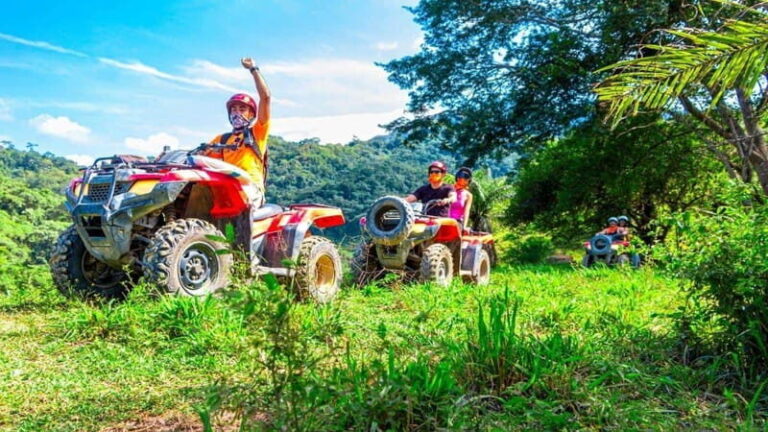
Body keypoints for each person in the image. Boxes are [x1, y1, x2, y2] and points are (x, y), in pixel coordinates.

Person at [202, 57, 271, 207]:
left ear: (251, 114)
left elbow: (265, 98)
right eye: (233, 109)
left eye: (242, 109)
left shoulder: (257, 132)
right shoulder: (222, 139)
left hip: (250, 189)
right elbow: (201, 157)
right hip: (227, 187)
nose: (236, 112)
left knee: (234, 201)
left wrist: (254, 69)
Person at [450, 167, 473, 231]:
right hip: (444, 220)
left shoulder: (468, 195)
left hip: (457, 222)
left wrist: (464, 227)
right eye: (460, 175)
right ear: (457, 177)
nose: (462, 178)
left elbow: (466, 212)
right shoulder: (449, 189)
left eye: (466, 177)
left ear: (469, 180)